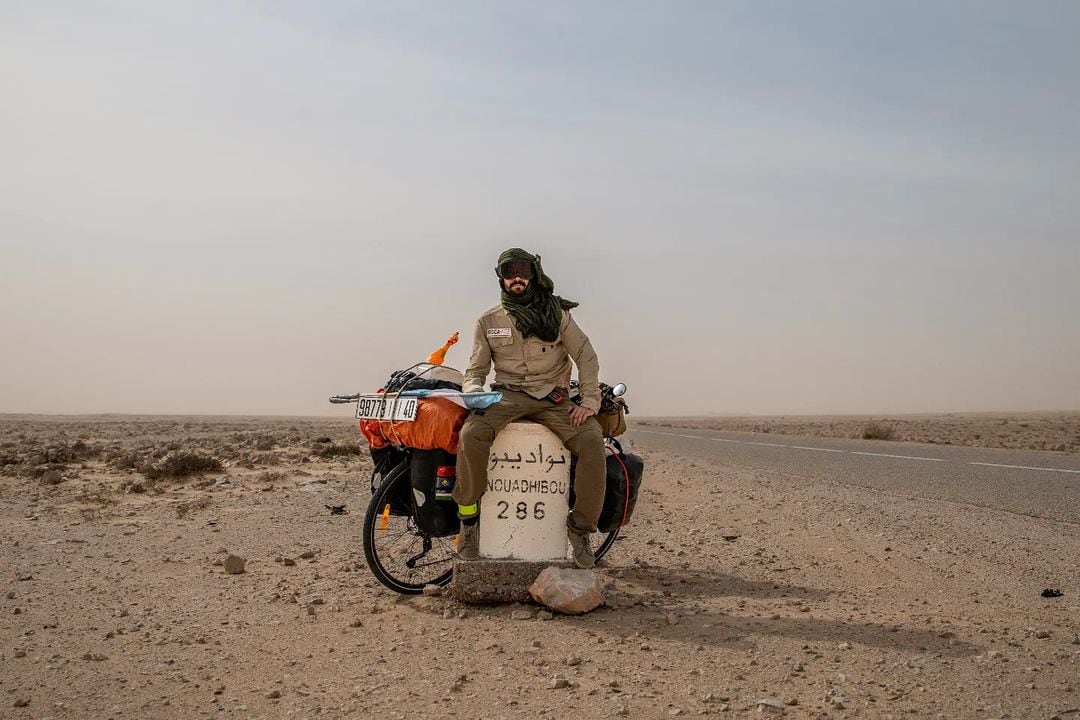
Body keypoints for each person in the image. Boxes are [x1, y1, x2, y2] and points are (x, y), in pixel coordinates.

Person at [452, 248, 605, 568]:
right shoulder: (488, 320)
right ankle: (469, 523)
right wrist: (473, 393)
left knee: (592, 440)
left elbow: (586, 356)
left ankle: (579, 531)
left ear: (533, 273)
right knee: (472, 434)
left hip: (553, 396)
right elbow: (475, 371)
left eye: (522, 270)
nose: (516, 278)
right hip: (507, 394)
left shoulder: (557, 315)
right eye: (509, 272)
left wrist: (589, 401)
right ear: (501, 278)